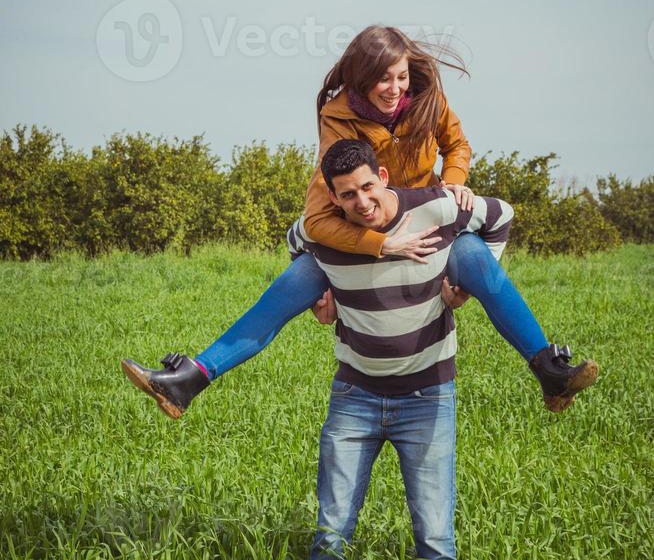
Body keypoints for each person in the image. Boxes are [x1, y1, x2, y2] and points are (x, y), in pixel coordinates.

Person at [121, 25, 597, 418]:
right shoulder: (338, 122)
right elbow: (315, 222)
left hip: (424, 221)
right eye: (382, 81)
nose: (394, 90)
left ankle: (550, 372)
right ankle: (190, 379)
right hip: (366, 228)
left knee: (473, 255)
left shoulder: (428, 98)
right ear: (360, 81)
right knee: (296, 281)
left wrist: (454, 180)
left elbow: (459, 146)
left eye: (400, 77)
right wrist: (377, 248)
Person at [295, 140, 511, 560]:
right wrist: (320, 295)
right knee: (331, 529)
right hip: (354, 396)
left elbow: (501, 217)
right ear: (332, 197)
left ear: (384, 177)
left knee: (435, 535)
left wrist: (468, 278)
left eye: (367, 187)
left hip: (428, 396)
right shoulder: (325, 230)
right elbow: (295, 242)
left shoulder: (434, 208)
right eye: (348, 194)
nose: (362, 201)